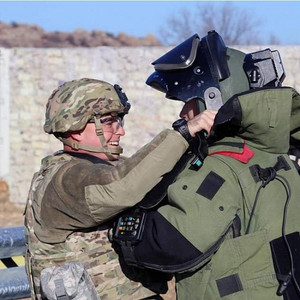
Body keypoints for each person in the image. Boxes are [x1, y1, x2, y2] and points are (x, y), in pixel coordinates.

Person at [111, 31, 300, 300]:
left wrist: (122, 226)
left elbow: (174, 243)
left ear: (212, 98)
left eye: (187, 99)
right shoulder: (278, 156)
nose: (182, 112)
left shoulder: (221, 165)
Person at [24, 78, 216, 300]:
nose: (120, 131)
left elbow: (150, 179)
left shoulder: (110, 167)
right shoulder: (63, 180)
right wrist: (183, 132)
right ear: (75, 128)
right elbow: (120, 187)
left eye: (120, 121)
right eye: (108, 122)